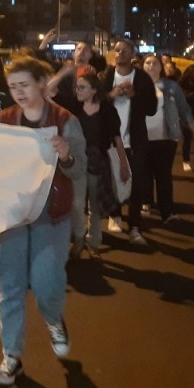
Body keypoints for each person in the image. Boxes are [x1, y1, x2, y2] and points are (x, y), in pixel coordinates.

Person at [0, 57, 86, 386]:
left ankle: (53, 318)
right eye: (12, 86)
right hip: (13, 216)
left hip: (51, 214)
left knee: (47, 282)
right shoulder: (3, 120)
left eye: (24, 85)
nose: (18, 92)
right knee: (11, 287)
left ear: (42, 84)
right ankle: (11, 355)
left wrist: (66, 154)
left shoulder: (66, 121)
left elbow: (79, 169)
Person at [100, 39, 157, 245]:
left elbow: (151, 108)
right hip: (110, 139)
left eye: (125, 50)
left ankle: (134, 225)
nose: (120, 53)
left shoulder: (141, 78)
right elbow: (95, 102)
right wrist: (111, 95)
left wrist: (134, 95)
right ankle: (115, 215)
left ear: (133, 54)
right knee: (112, 179)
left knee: (137, 182)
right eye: (117, 50)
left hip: (135, 139)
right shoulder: (106, 76)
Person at [72, 67, 128, 257]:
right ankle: (79, 240)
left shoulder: (107, 110)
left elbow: (117, 138)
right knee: (76, 205)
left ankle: (93, 243)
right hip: (77, 162)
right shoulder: (74, 109)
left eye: (82, 87)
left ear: (94, 90)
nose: (78, 91)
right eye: (77, 87)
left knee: (94, 206)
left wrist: (124, 165)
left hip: (98, 162)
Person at [141, 54, 194, 223]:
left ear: (161, 67)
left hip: (166, 137)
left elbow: (184, 109)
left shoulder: (172, 86)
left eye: (155, 63)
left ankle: (167, 210)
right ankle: (146, 203)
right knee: (144, 173)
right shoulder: (136, 86)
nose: (151, 66)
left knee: (164, 174)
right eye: (148, 63)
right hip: (141, 137)